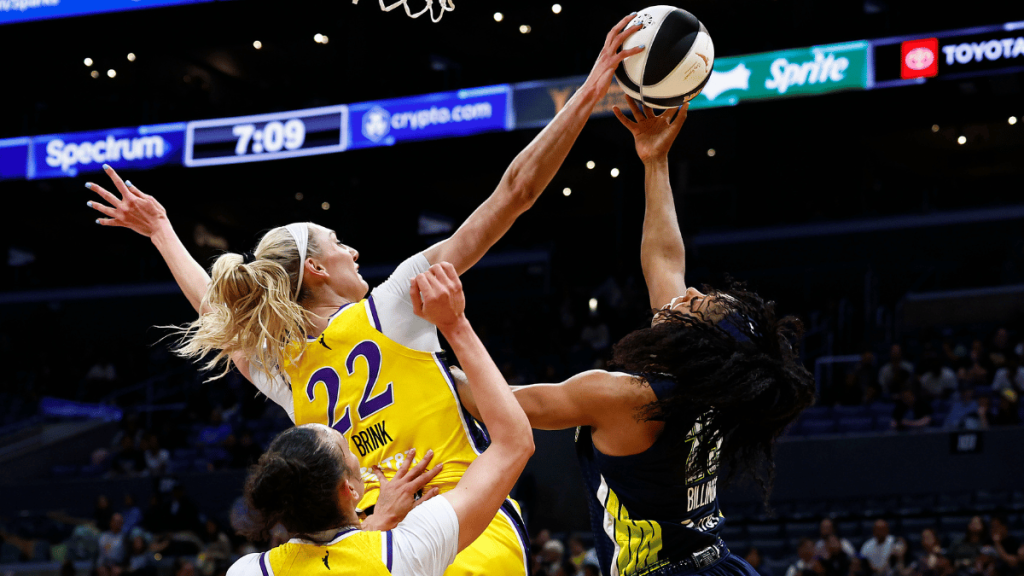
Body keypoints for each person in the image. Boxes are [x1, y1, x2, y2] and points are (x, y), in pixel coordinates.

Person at [85, 15, 645, 576]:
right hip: (451, 527)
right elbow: (514, 194)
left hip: (385, 542)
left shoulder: (288, 368)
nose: (352, 251)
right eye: (337, 244)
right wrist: (589, 91)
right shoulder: (393, 304)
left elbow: (216, 308)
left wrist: (162, 231)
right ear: (315, 271)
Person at [459, 99, 815, 575]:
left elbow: (496, 403)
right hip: (716, 563)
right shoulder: (711, 386)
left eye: (695, 305)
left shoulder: (625, 396)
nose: (685, 292)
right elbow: (666, 262)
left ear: (695, 342)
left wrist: (434, 338)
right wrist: (655, 160)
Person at [225, 263, 534, 576]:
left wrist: (371, 524)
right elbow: (514, 442)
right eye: (347, 447)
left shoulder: (250, 570)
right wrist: (454, 325)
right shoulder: (404, 550)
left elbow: (229, 337)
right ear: (349, 489)